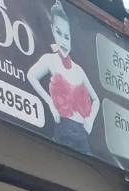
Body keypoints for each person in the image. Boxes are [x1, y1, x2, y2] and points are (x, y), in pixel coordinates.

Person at [27, 2, 101, 155]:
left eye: (67, 37)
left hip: (82, 132)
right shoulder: (50, 60)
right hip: (63, 127)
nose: (63, 41)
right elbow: (31, 75)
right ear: (53, 31)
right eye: (59, 33)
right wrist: (50, 103)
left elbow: (96, 99)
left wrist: (90, 120)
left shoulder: (78, 70)